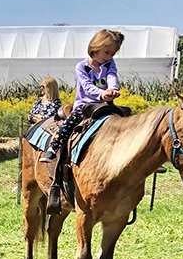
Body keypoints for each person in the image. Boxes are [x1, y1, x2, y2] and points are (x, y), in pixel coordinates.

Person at [40, 29, 124, 163]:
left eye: (112, 54)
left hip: (105, 104)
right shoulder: (81, 67)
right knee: (71, 121)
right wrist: (102, 93)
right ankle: (53, 148)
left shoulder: (109, 64)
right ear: (96, 47)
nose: (109, 57)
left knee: (126, 120)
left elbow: (112, 76)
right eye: (106, 52)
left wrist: (113, 89)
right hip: (85, 105)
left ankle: (140, 157)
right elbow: (87, 87)